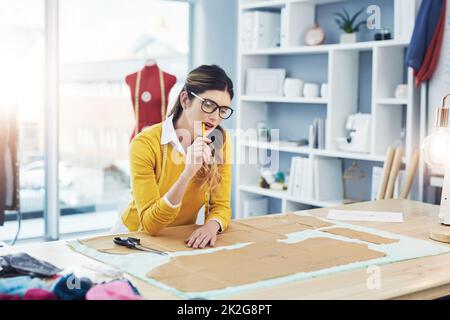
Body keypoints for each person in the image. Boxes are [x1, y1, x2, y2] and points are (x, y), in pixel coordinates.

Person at [113, 65, 234, 249]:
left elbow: (221, 205)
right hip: (134, 237)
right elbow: (150, 224)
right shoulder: (144, 143)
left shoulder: (220, 140)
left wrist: (212, 225)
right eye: (208, 104)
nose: (216, 117)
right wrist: (187, 173)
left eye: (223, 110)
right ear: (185, 100)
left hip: (178, 239)